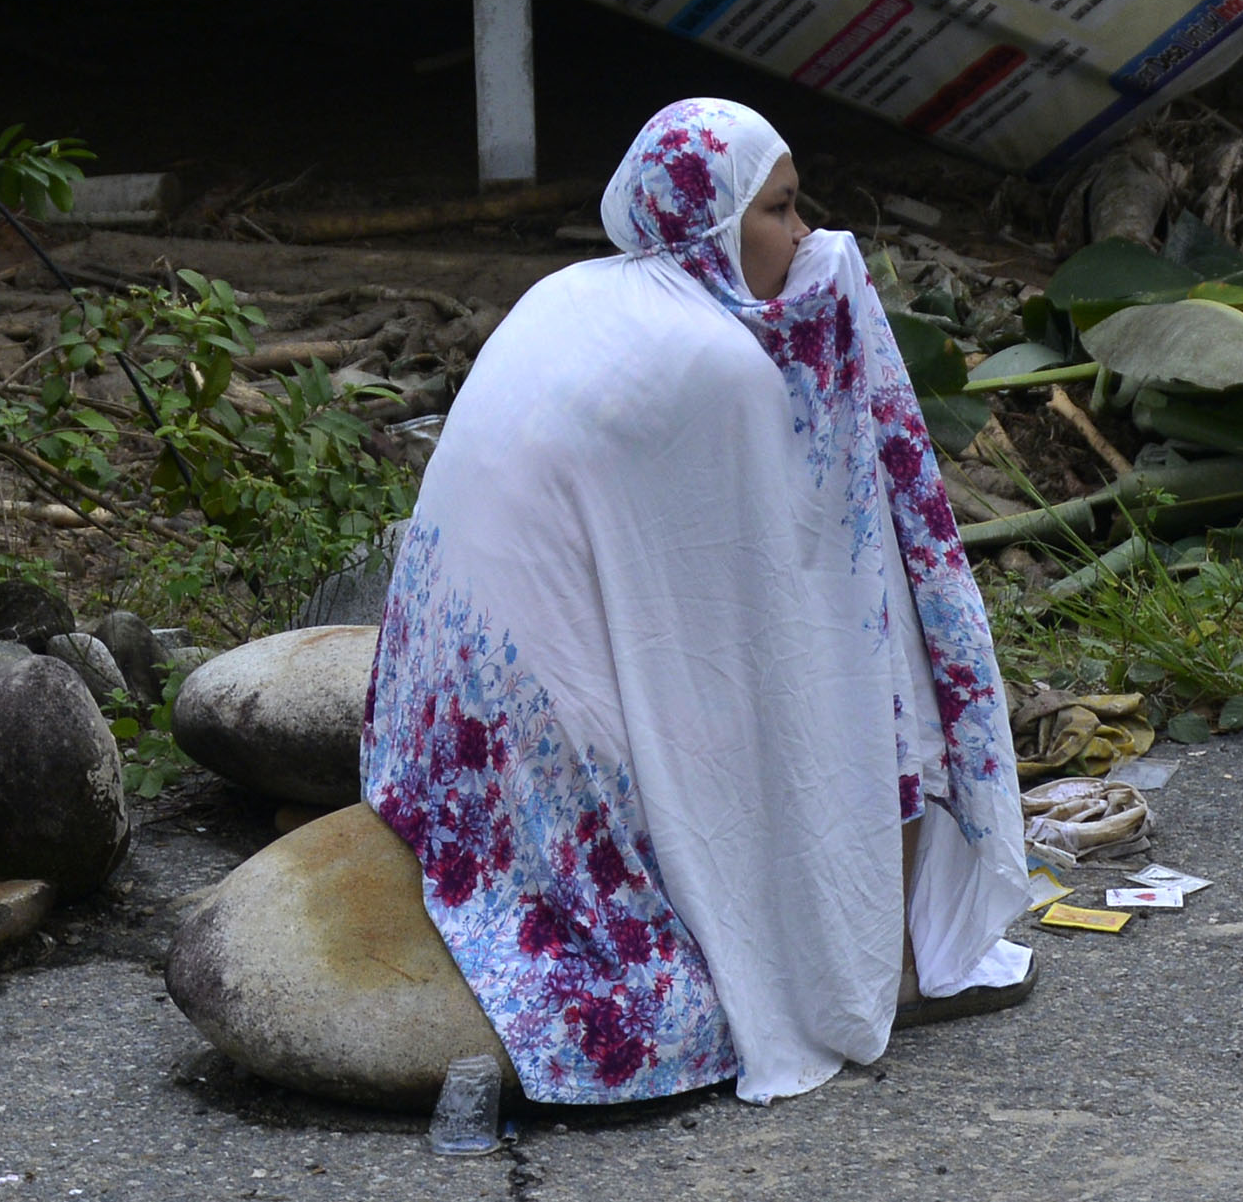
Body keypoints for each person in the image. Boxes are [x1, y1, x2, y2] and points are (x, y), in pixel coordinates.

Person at [362, 98, 1037, 1106]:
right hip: (540, 741)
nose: (805, 236)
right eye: (780, 207)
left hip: (427, 718)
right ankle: (845, 942)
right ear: (710, 222)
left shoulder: (572, 291)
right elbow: (777, 622)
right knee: (853, 668)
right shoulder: (715, 364)